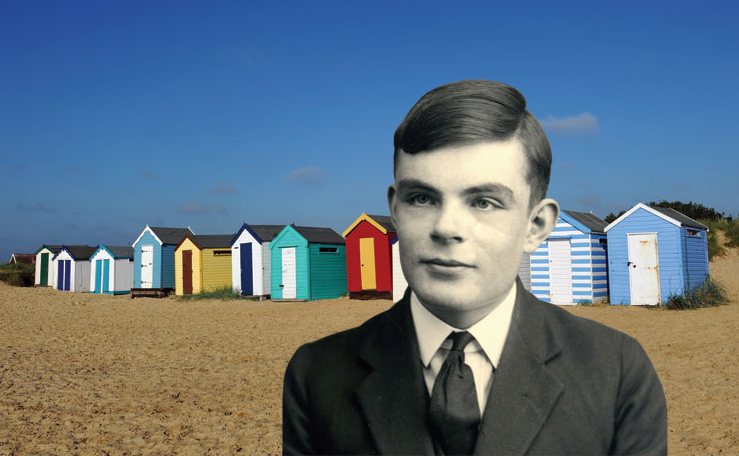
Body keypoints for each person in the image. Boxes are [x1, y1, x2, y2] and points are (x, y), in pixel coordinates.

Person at [282, 79, 667, 455]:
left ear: (536, 226)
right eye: (421, 198)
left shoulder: (616, 370)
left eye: (483, 202)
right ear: (395, 209)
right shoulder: (316, 373)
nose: (446, 227)